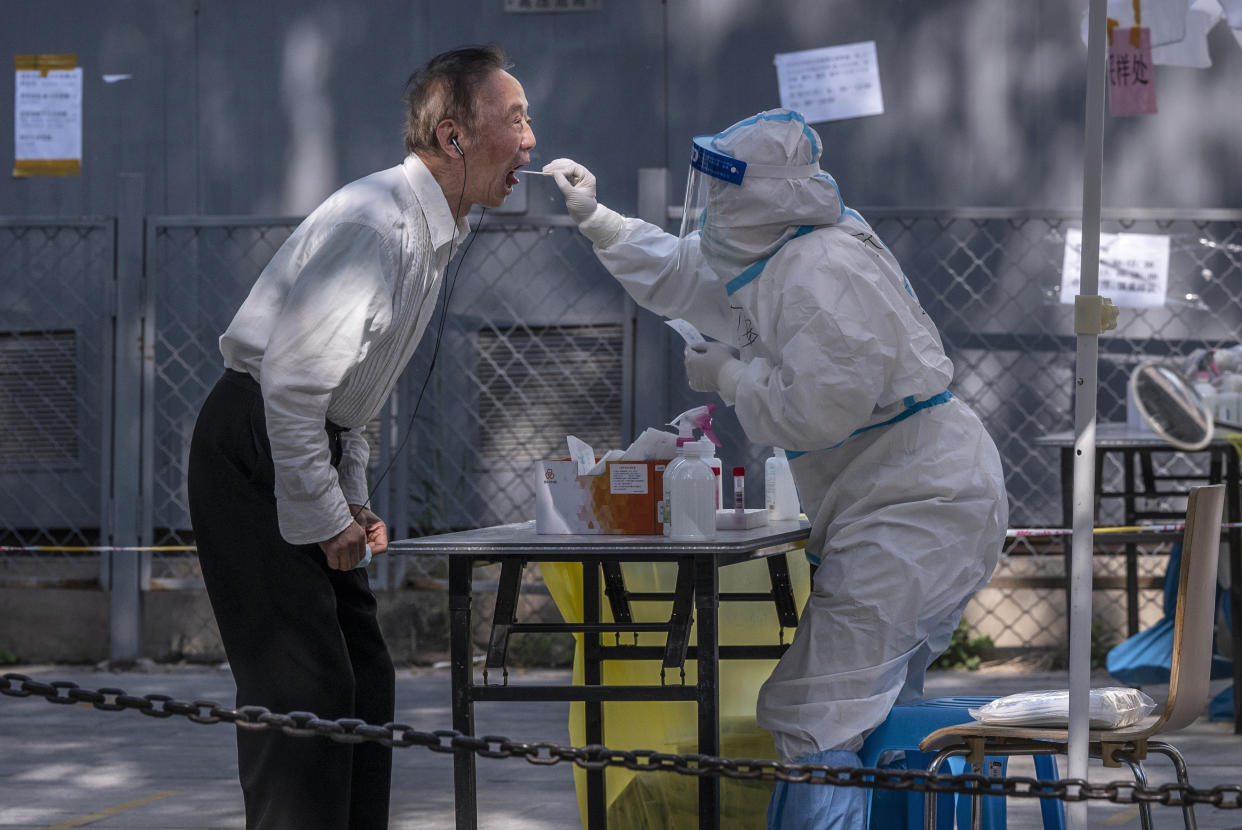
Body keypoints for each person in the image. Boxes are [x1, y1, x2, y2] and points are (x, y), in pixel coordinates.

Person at [543, 109, 1007, 829]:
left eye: (725, 192)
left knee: (813, 711)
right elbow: (679, 271)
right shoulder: (770, 252)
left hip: (921, 504)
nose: (712, 209)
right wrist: (599, 218)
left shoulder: (826, 269)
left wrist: (730, 377)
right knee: (867, 709)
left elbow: (821, 410)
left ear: (760, 195)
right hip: (894, 499)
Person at [187, 44, 535, 829]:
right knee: (302, 688)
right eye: (514, 119)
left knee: (362, 680)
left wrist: (349, 500)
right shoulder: (379, 223)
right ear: (454, 137)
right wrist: (323, 515)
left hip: (304, 438)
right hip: (256, 443)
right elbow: (294, 383)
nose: (530, 141)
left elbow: (357, 393)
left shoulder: (431, 229)